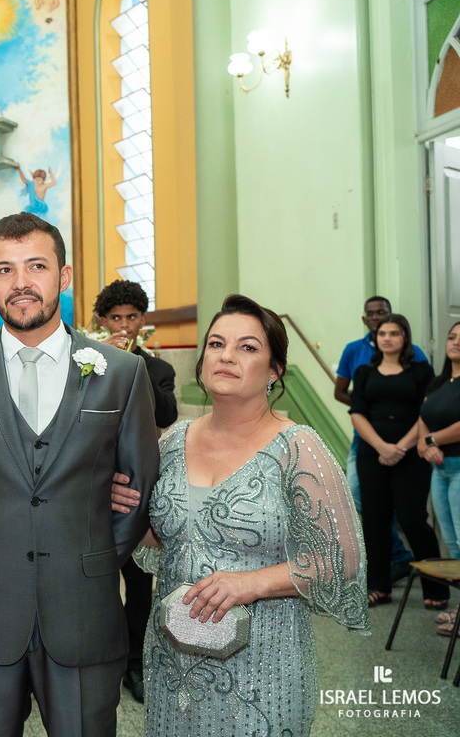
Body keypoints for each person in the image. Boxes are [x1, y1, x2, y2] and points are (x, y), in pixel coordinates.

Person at [0, 212, 160, 735]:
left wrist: (92, 555)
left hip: (83, 610)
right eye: (5, 270)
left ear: (64, 276)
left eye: (36, 266)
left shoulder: (121, 374)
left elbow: (138, 487)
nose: (21, 282)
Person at [134, 294, 368, 736]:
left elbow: (342, 560)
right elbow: (170, 539)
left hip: (262, 661)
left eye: (247, 347)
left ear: (275, 370)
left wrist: (251, 582)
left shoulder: (299, 448)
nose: (226, 356)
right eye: (217, 343)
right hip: (172, 658)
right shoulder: (173, 440)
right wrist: (123, 509)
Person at [91, 279, 177, 705]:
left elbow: (167, 413)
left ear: (142, 321)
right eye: (115, 318)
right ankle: (98, 659)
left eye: (131, 318)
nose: (123, 325)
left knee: (140, 586)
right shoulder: (89, 364)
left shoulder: (157, 368)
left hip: (140, 491)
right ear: (101, 321)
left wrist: (133, 366)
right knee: (94, 583)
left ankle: (135, 666)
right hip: (92, 491)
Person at [350, 314, 447, 609]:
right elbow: (357, 413)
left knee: (412, 519)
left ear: (405, 337)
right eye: (382, 334)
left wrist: (400, 448)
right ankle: (379, 586)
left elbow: (426, 412)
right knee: (376, 521)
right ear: (376, 339)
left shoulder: (420, 371)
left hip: (411, 455)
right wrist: (381, 446)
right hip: (372, 454)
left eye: (394, 333)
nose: (387, 338)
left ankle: (437, 587)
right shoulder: (364, 373)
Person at [333, 295, 428, 572]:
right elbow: (340, 391)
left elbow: (425, 401)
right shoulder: (354, 351)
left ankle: (401, 560)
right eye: (371, 315)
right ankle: (398, 555)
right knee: (358, 496)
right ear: (365, 319)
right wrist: (368, 411)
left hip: (407, 444)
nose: (376, 319)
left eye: (382, 313)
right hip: (366, 440)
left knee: (406, 508)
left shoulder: (416, 355)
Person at [417, 321, 460, 635]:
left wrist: (432, 442)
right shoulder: (438, 383)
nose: (456, 342)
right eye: (452, 337)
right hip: (439, 472)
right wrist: (424, 445)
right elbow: (423, 420)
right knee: (453, 545)